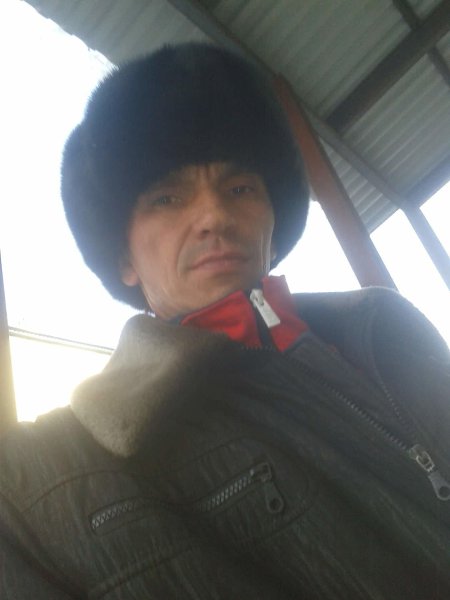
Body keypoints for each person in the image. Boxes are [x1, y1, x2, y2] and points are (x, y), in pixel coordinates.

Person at [1, 42, 449, 600]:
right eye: (167, 199)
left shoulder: (387, 331)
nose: (215, 215)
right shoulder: (51, 483)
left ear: (273, 224)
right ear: (123, 259)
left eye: (240, 189)